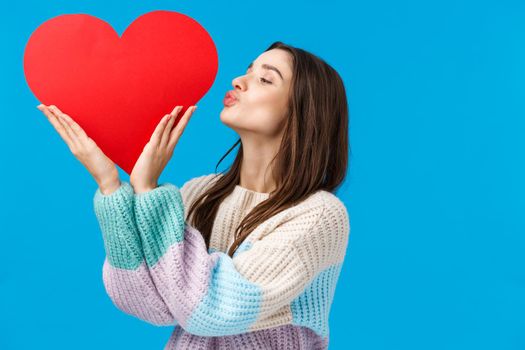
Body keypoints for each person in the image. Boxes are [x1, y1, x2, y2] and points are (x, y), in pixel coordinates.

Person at [37, 41, 351, 349]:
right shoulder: (200, 193)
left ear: (303, 113)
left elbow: (212, 309)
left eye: (265, 79)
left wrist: (149, 191)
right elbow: (145, 303)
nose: (238, 81)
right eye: (247, 71)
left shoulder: (318, 215)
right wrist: (110, 187)